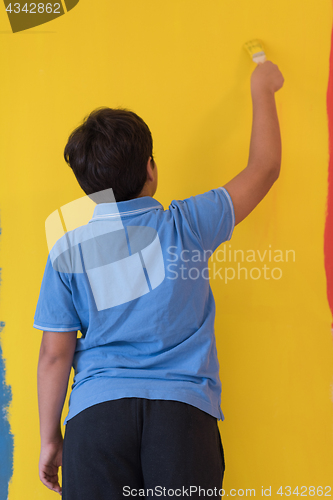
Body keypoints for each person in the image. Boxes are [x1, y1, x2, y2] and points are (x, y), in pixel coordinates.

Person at [35, 60, 284, 499]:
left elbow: (55, 356)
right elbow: (263, 168)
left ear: (86, 187)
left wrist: (50, 438)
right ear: (151, 169)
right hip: (183, 419)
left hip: (96, 421)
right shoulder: (189, 223)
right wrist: (262, 87)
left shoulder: (67, 252)